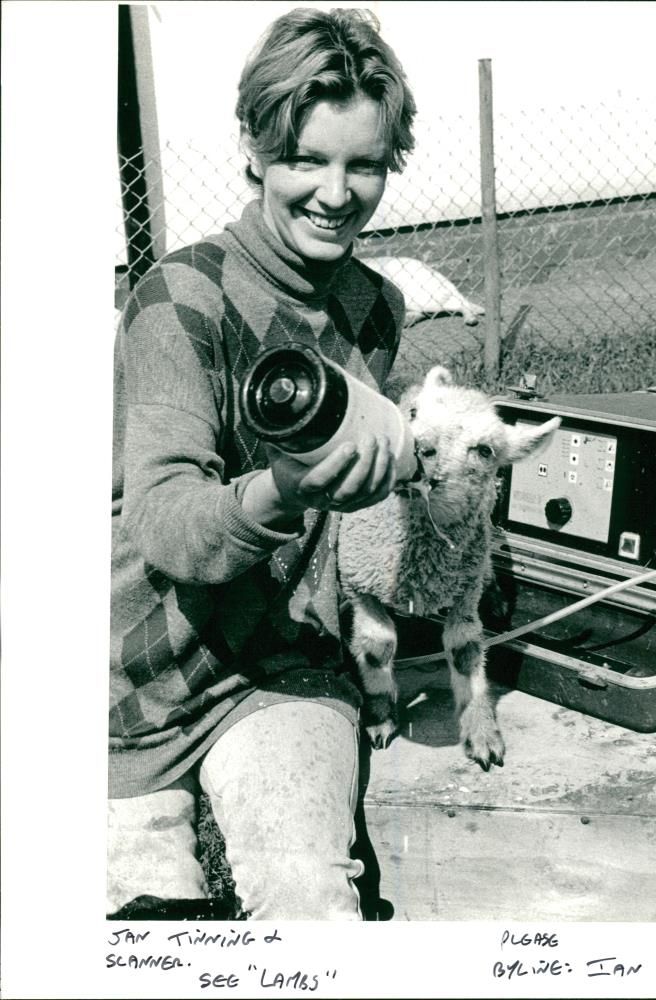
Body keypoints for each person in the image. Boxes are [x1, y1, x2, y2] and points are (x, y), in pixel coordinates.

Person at [108, 6, 416, 921]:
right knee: (146, 934)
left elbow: (358, 518)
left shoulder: (374, 307)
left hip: (283, 668)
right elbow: (165, 524)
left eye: (362, 163)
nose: (336, 192)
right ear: (253, 150)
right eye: (306, 160)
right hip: (142, 681)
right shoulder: (179, 296)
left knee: (310, 905)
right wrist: (287, 487)